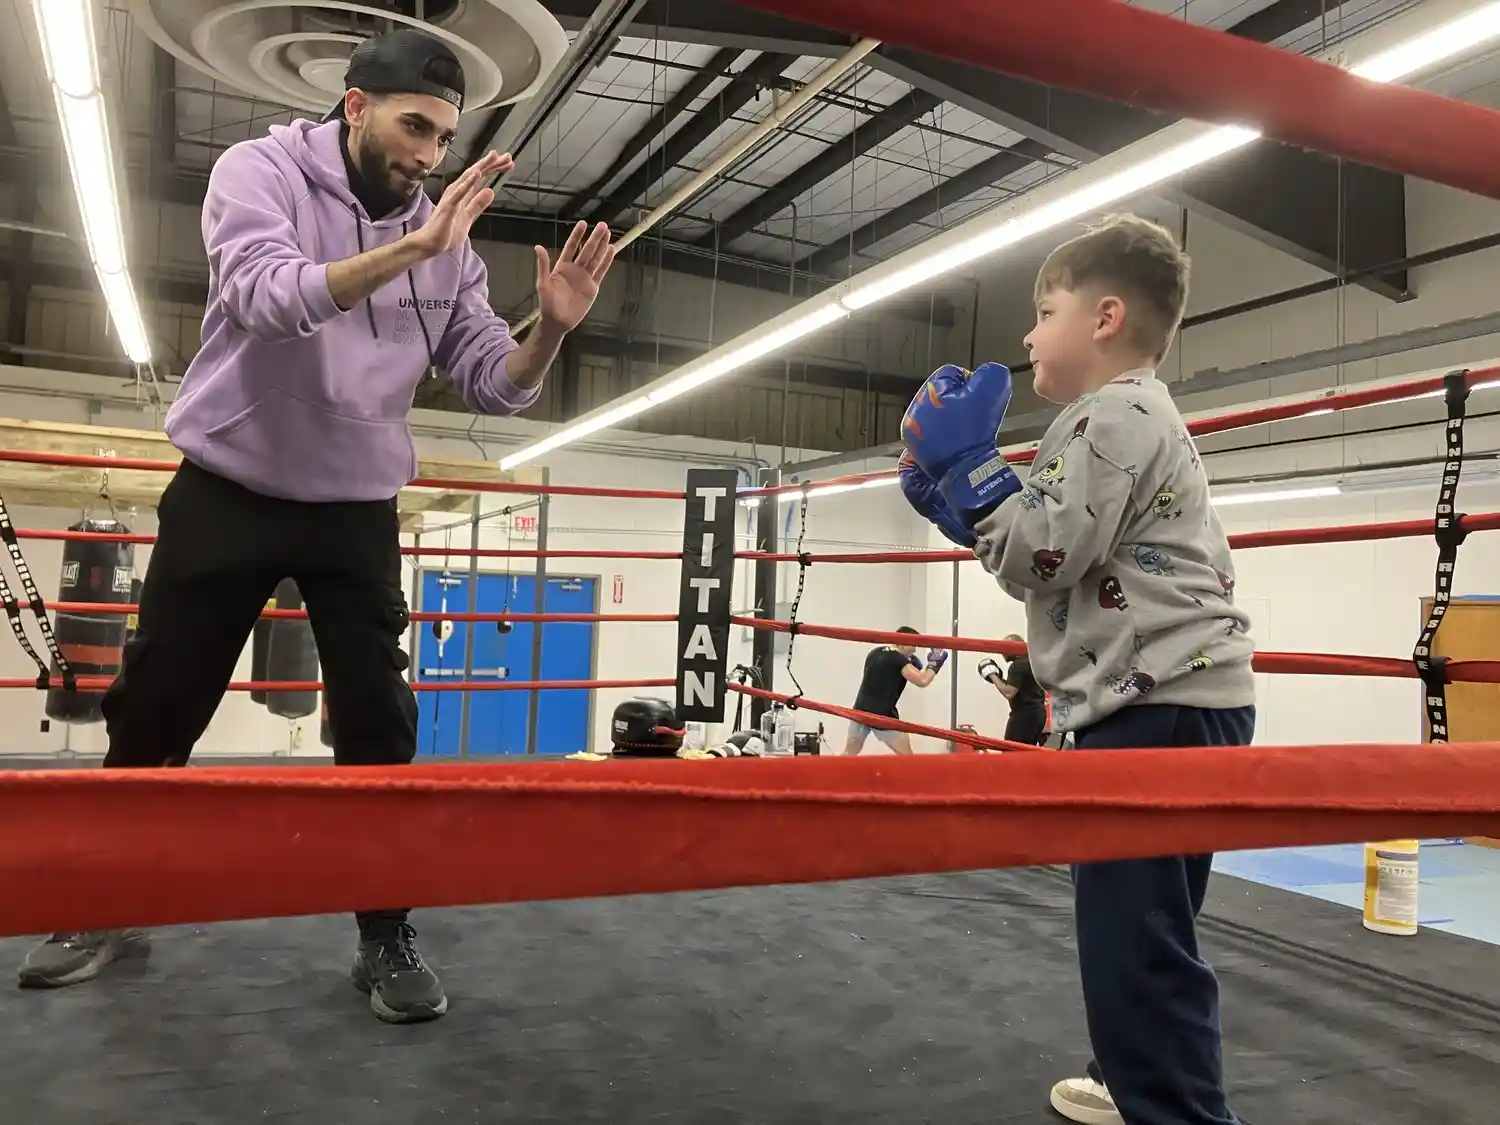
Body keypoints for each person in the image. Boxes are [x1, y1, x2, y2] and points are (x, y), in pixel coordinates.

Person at [17, 29, 617, 1025]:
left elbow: (489, 383)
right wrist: (411, 251)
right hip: (230, 481)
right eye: (413, 127)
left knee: (380, 726)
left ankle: (383, 935)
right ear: (354, 106)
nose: (428, 156)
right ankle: (100, 907)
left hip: (352, 507)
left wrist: (548, 328)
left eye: (443, 138)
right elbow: (260, 298)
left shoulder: (446, 244)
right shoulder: (262, 173)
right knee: (155, 708)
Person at [898, 213, 1256, 1125]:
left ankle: (1179, 1114)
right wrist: (961, 506)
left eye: (1042, 310)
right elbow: (1064, 540)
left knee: (1133, 945)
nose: (1025, 335)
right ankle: (1122, 1071)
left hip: (1154, 706)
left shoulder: (1113, 413)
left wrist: (971, 473)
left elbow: (1044, 550)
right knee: (1148, 931)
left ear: (1102, 318)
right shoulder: (1123, 416)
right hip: (1175, 701)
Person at [843, 626, 949, 755]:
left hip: (860, 710)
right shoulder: (897, 659)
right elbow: (922, 680)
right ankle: (915, 775)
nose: (915, 650)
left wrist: (910, 663)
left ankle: (832, 774)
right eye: (913, 645)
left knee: (849, 753)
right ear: (902, 643)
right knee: (907, 756)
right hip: (882, 716)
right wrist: (934, 664)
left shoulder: (875, 652)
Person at [978, 635, 1047, 745]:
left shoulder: (1017, 665)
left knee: (1011, 751)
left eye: (1005, 648)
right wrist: (998, 679)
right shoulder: (1031, 662)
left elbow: (1009, 692)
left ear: (1014, 647)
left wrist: (992, 675)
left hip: (1024, 714)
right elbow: (1017, 687)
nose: (1002, 652)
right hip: (1038, 713)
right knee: (1026, 751)